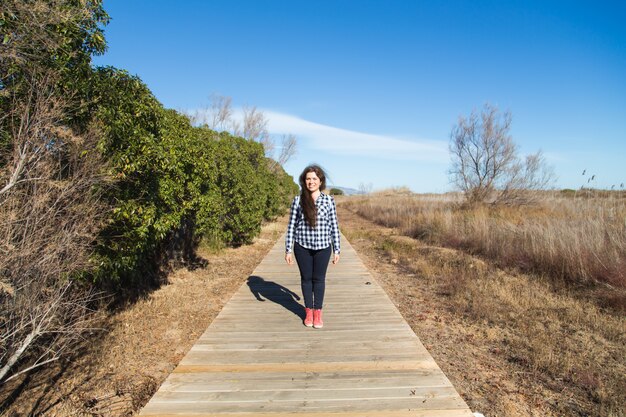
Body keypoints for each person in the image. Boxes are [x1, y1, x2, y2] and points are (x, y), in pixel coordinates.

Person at [285, 165, 340, 329]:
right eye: (308, 179)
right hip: (302, 246)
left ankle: (318, 312)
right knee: (306, 279)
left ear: (320, 181)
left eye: (314, 179)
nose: (311, 182)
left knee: (319, 280)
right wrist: (288, 249)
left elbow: (334, 226)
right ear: (304, 181)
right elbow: (291, 226)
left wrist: (337, 249)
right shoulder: (298, 200)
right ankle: (308, 311)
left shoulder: (329, 200)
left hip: (323, 247)